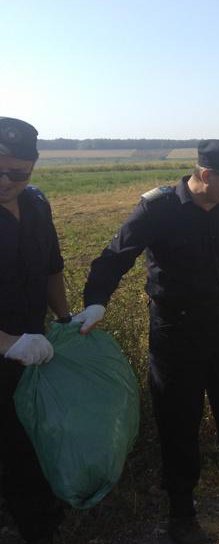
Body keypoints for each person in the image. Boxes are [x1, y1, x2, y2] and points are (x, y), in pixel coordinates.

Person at [74, 140, 219, 544]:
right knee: (179, 420)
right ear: (205, 175)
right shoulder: (158, 209)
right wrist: (96, 304)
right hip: (176, 330)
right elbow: (115, 256)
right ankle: (181, 514)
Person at [0, 117, 68, 544]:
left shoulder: (38, 205)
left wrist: (65, 320)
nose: (4, 181)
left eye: (17, 174)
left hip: (34, 346)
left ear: (33, 169)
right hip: (10, 347)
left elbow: (51, 269)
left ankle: (39, 518)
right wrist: (7, 343)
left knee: (29, 436)